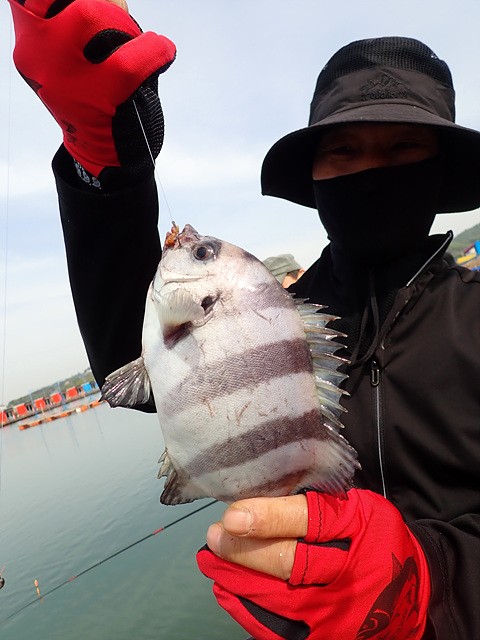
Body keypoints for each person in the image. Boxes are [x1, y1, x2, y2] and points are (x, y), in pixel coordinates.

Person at [6, 2, 480, 638]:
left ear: (440, 169)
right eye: (344, 149)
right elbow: (134, 364)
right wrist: (105, 171)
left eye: (403, 148)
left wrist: (430, 582)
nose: (371, 169)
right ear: (314, 174)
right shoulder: (269, 309)